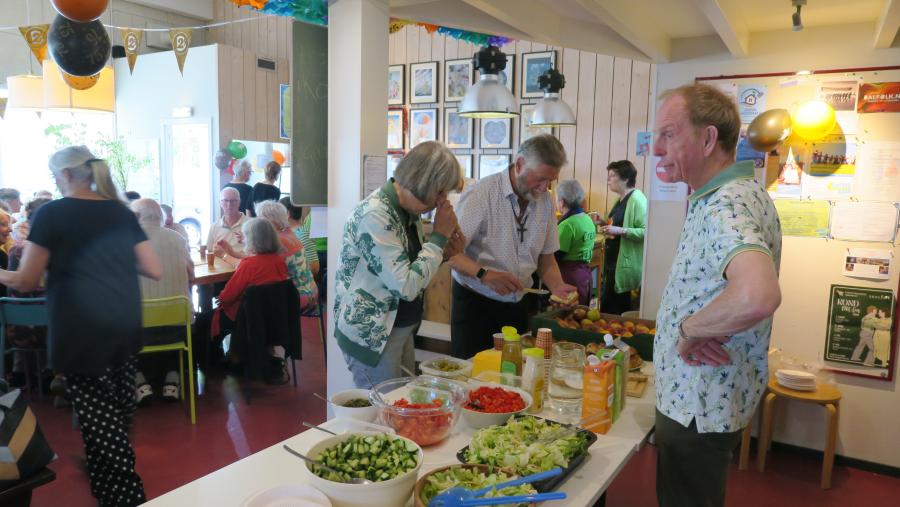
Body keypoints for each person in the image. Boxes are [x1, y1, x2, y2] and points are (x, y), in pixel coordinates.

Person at [0, 146, 162, 506]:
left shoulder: (52, 214)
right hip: (124, 325)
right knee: (113, 415)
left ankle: (126, 496)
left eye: (54, 175)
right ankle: (107, 487)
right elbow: (154, 268)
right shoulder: (120, 212)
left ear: (66, 174)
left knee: (102, 421)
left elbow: (26, 280)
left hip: (81, 331)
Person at [652, 84, 782, 507]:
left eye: (668, 134)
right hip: (705, 398)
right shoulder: (736, 194)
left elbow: (758, 294)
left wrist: (690, 329)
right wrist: (707, 324)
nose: (656, 149)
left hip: (697, 403)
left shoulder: (726, 203)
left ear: (708, 139)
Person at [335, 141, 464, 387]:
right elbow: (406, 286)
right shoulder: (376, 215)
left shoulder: (408, 211)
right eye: (440, 192)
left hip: (399, 329)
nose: (442, 200)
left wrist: (443, 253)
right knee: (384, 409)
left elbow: (411, 270)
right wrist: (438, 238)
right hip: (374, 337)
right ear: (424, 183)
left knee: (402, 403)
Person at [448, 134, 578, 359]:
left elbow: (546, 258)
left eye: (550, 181)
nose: (544, 188)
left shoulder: (545, 201)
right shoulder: (482, 194)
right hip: (475, 305)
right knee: (473, 374)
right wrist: (484, 274)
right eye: (540, 179)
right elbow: (449, 253)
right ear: (519, 164)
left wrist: (557, 286)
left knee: (514, 372)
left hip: (518, 305)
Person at [131, 199, 195, 404]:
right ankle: (172, 379)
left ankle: (140, 382)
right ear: (161, 217)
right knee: (172, 315)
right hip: (179, 328)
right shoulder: (178, 239)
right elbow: (191, 275)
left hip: (140, 331)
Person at [211, 218, 289, 381]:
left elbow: (226, 297)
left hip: (247, 319)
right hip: (274, 317)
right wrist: (230, 252)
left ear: (252, 239)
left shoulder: (249, 264)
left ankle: (214, 363)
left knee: (204, 321)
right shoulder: (279, 261)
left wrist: (221, 298)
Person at [231, 200, 318, 310]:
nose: (257, 222)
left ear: (271, 220)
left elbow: (251, 265)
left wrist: (226, 254)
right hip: (310, 290)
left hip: (296, 297)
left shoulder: (277, 240)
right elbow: (257, 259)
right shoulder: (288, 233)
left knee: (245, 297)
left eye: (260, 218)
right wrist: (247, 242)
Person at [595, 160, 647, 315]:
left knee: (617, 310)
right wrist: (603, 222)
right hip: (613, 263)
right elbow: (616, 226)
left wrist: (621, 231)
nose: (608, 179)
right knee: (608, 308)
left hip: (625, 265)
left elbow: (646, 232)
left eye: (612, 175)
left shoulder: (638, 199)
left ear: (625, 179)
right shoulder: (619, 199)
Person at [555, 180, 596, 306]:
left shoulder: (567, 225)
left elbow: (556, 256)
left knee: (568, 313)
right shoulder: (587, 218)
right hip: (585, 274)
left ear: (562, 202)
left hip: (569, 277)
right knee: (581, 312)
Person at [207, 186, 249, 266]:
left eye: (233, 201)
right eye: (225, 200)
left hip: (245, 269)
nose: (229, 204)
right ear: (220, 203)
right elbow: (210, 251)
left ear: (239, 202)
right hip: (220, 271)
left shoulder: (252, 225)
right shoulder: (214, 226)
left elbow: (258, 255)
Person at [280, 196, 320, 277]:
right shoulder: (283, 234)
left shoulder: (303, 234)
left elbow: (315, 268)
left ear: (287, 214)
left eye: (278, 212)